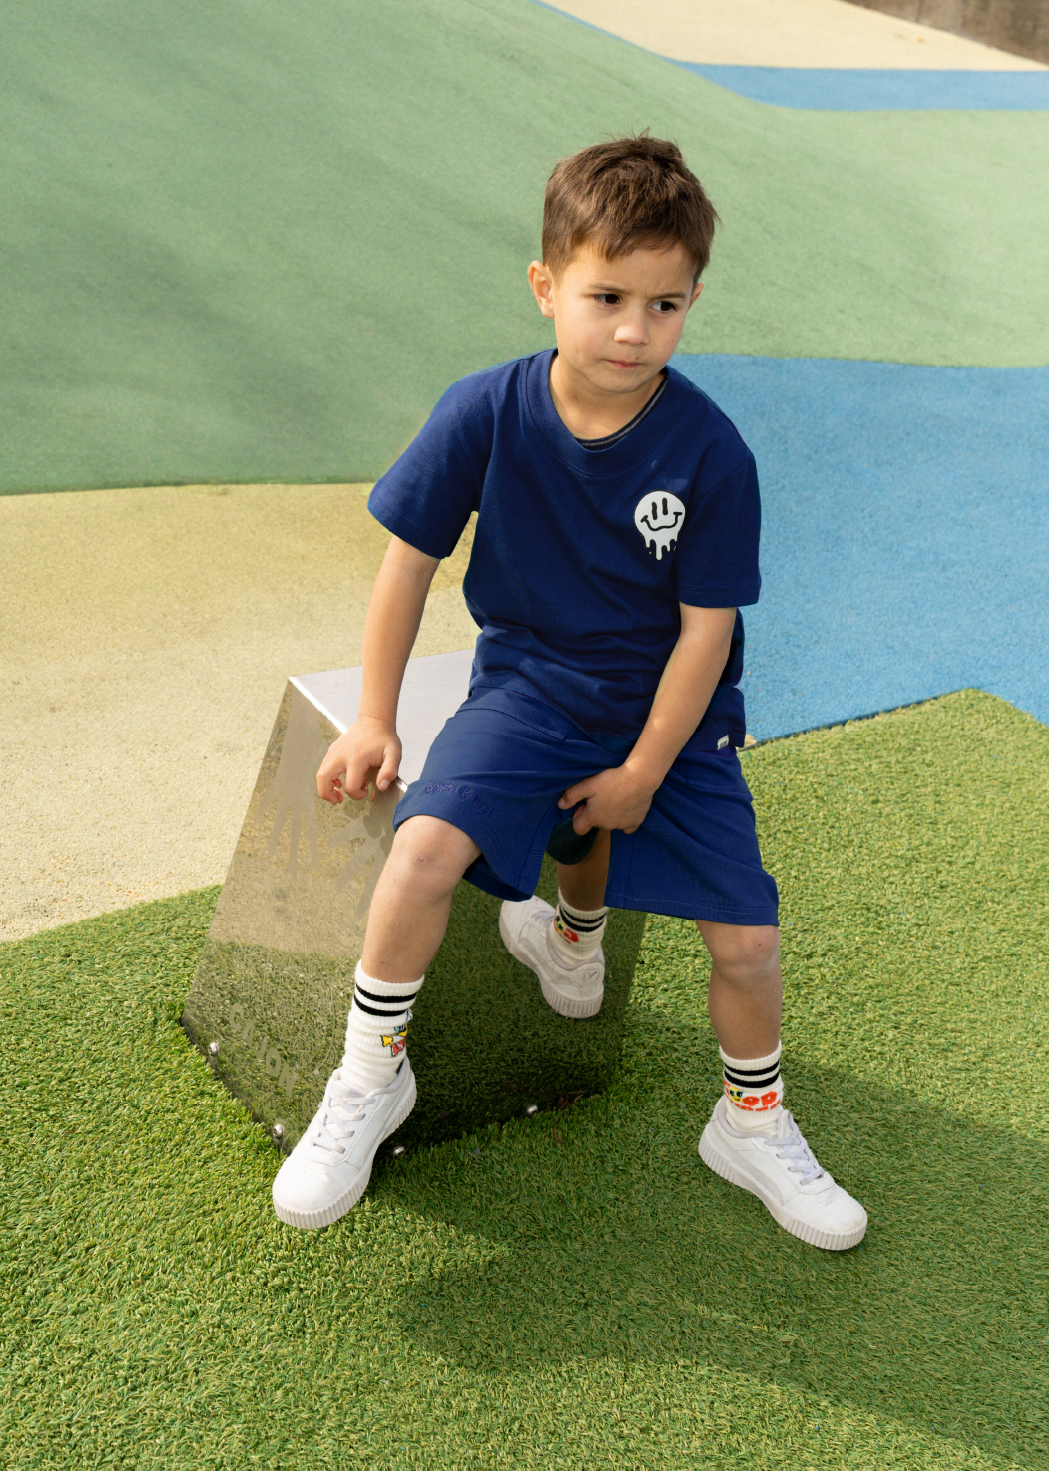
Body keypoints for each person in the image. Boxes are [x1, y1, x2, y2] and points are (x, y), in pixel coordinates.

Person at [271, 134, 867, 1251]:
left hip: (671, 723)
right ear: (546, 286)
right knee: (420, 848)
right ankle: (368, 1075)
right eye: (606, 296)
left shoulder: (710, 452)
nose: (633, 330)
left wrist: (645, 767)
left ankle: (747, 1118)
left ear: (692, 303)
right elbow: (409, 562)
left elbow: (705, 631)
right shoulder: (484, 410)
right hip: (530, 688)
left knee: (746, 943)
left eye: (665, 304)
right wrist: (372, 716)